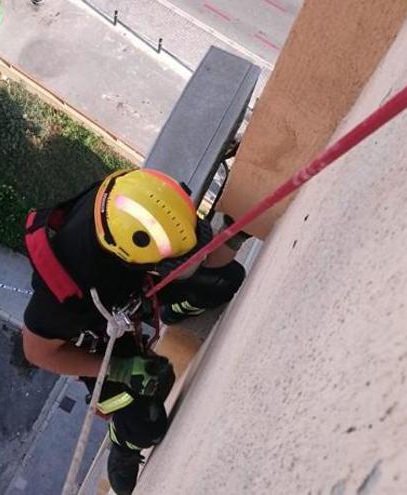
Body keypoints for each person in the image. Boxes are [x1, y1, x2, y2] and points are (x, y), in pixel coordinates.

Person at [21, 169, 246, 494]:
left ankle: (178, 311)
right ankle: (125, 442)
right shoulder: (66, 295)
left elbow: (186, 249)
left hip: (138, 285)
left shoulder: (128, 198)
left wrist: (233, 233)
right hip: (101, 330)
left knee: (227, 278)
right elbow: (37, 351)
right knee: (152, 408)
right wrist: (118, 368)